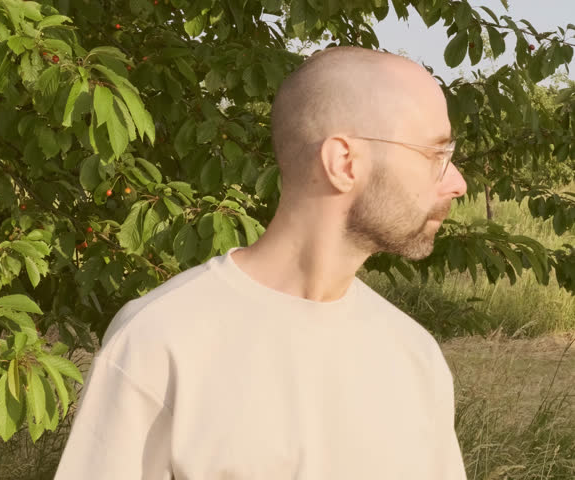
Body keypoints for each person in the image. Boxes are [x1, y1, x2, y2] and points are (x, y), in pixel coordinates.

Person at [53, 45, 469, 479]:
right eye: (435, 155)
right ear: (344, 162)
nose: (456, 183)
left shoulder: (413, 355)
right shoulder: (159, 342)